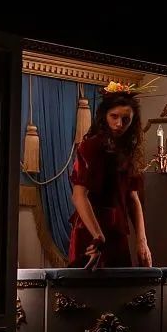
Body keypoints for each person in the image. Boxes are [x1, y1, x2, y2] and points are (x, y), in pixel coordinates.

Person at [67, 83, 153, 268]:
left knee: (120, 283)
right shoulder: (90, 146)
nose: (119, 124)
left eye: (126, 119)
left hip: (117, 231)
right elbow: (79, 196)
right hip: (90, 230)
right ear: (104, 116)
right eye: (114, 117)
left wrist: (142, 241)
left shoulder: (127, 151)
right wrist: (98, 237)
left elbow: (133, 198)